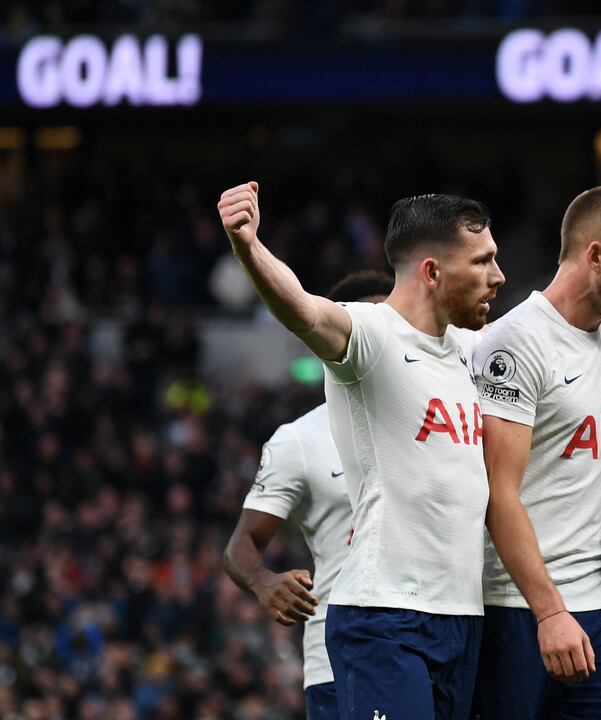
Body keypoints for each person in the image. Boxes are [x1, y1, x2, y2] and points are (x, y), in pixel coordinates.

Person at [218, 183, 504, 720]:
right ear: (432, 272)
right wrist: (249, 247)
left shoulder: (471, 349)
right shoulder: (373, 335)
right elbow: (304, 312)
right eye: (483, 260)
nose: (498, 275)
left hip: (462, 615)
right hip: (385, 613)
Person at [471, 185, 601, 719]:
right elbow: (498, 495)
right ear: (596, 255)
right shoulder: (515, 343)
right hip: (519, 606)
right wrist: (549, 612)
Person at [223, 270, 393, 720]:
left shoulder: (441, 418)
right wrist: (262, 582)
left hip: (442, 636)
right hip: (342, 660)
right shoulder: (299, 440)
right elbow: (242, 544)